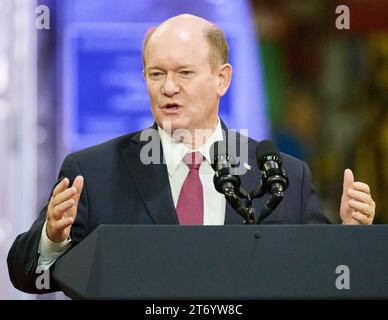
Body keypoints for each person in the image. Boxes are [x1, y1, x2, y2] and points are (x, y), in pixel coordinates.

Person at [7, 14, 376, 294]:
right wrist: (52, 239)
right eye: (156, 74)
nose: (168, 87)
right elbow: (28, 278)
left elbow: (326, 282)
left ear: (222, 79)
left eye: (184, 73)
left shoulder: (284, 177)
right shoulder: (93, 172)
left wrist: (351, 238)